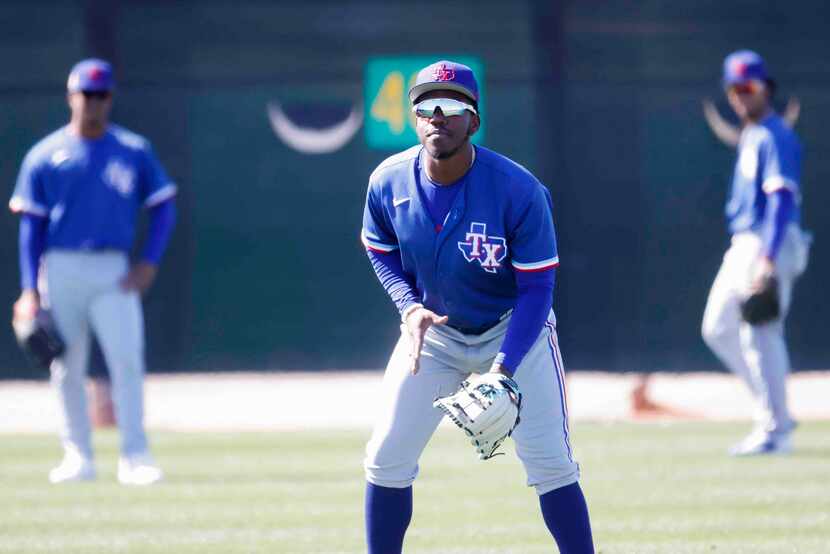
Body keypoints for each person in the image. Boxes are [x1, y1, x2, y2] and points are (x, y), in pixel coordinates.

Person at [360, 60, 594, 553]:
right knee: (385, 458)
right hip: (433, 336)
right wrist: (407, 305)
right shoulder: (388, 181)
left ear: (474, 120)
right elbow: (378, 246)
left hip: (512, 332)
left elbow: (536, 290)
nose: (435, 117)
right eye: (424, 107)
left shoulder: (519, 191)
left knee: (552, 465)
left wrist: (504, 369)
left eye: (449, 106)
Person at [9, 58, 177, 484]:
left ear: (111, 98)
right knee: (66, 365)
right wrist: (29, 289)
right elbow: (31, 228)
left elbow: (163, 208)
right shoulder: (45, 155)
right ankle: (76, 455)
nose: (94, 103)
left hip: (113, 269)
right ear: (71, 96)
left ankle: (135, 455)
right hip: (61, 266)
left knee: (126, 359)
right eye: (87, 94)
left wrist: (148, 263)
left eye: (101, 95)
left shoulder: (132, 150)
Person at [702, 50, 810, 456]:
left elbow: (781, 200)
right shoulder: (754, 134)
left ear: (766, 88)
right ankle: (775, 409)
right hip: (744, 241)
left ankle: (775, 429)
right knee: (717, 327)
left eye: (748, 87)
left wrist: (767, 257)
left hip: (767, 240)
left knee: (760, 331)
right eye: (734, 88)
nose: (740, 95)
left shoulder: (776, 134)